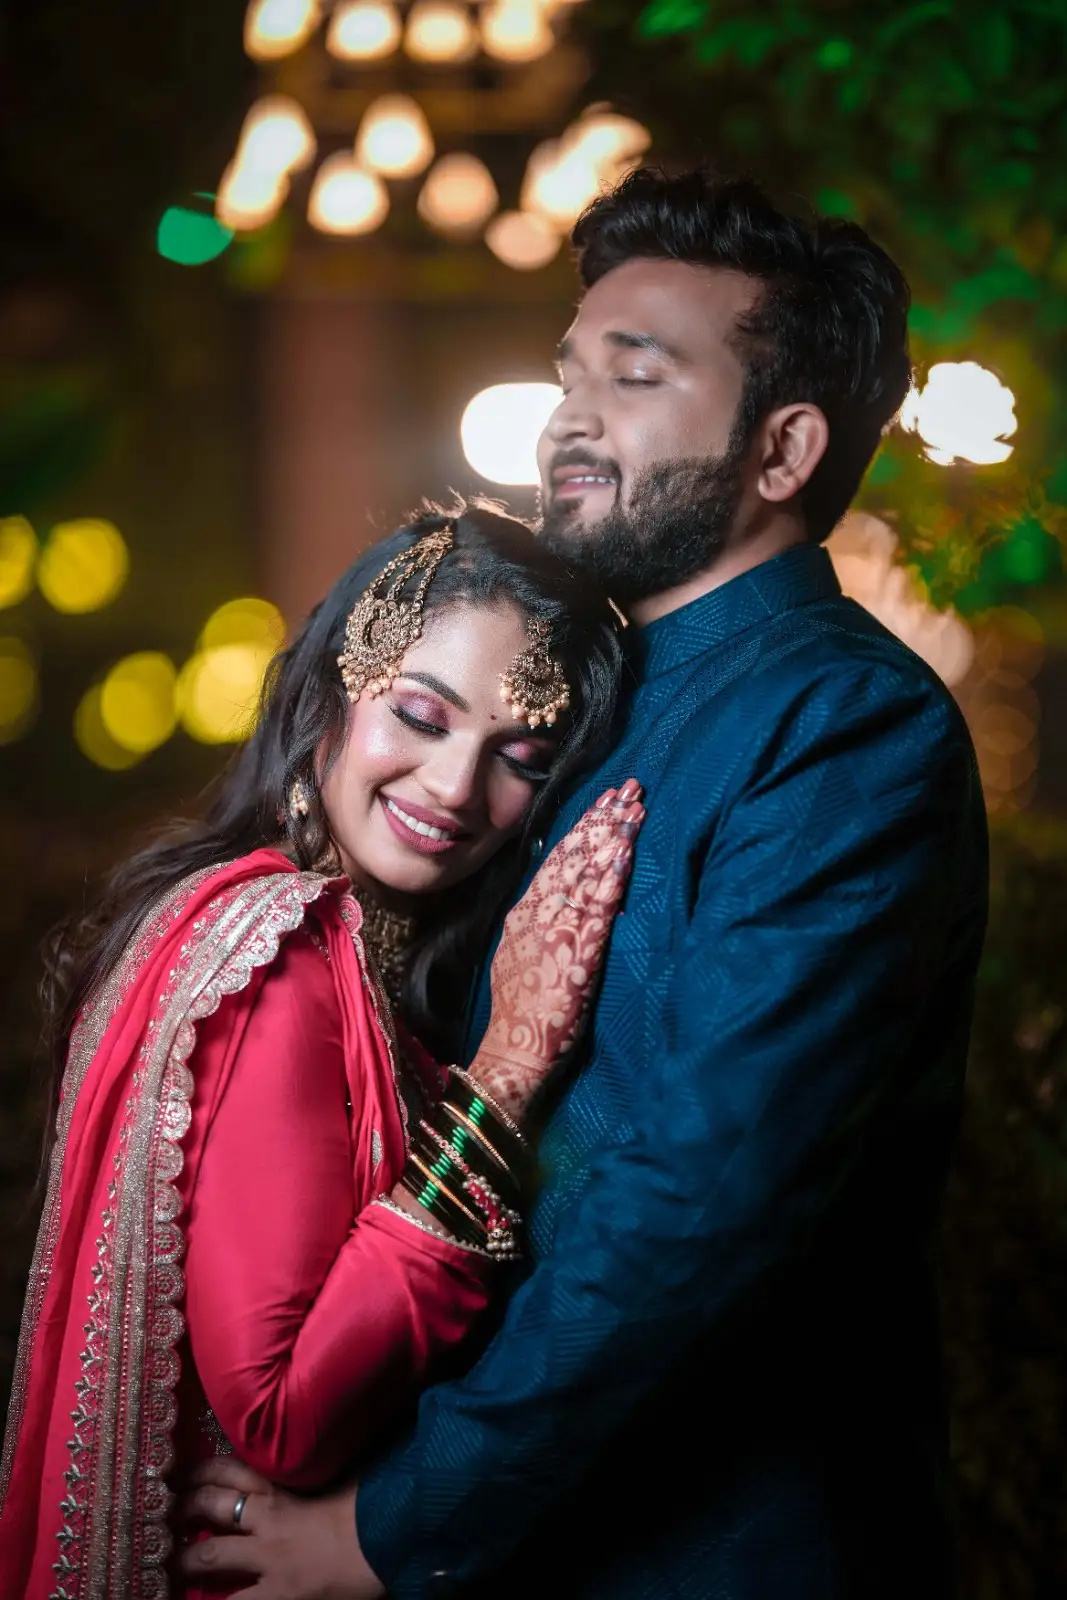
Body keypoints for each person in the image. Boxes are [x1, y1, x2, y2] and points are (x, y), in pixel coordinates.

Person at [184, 168, 989, 1600]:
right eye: (569, 374)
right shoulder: (573, 703)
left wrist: (390, 1526)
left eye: (634, 375)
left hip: (708, 1554)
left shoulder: (842, 728)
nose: (567, 416)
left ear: (782, 447)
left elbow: (701, 1201)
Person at [0, 504, 646, 1599]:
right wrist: (507, 1070)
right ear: (332, 692)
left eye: (519, 758)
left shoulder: (318, 949)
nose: (453, 786)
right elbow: (283, 1415)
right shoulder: (278, 956)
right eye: (420, 715)